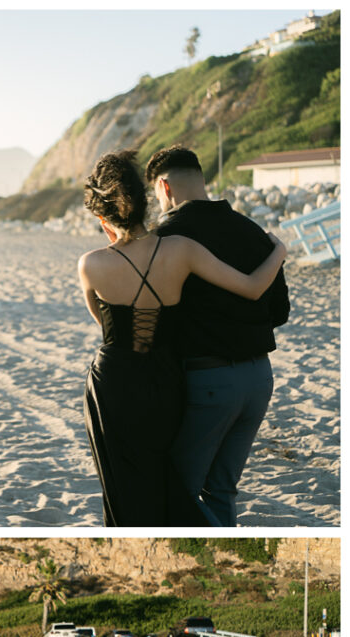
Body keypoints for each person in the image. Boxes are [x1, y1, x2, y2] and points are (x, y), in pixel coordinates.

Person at [78, 150, 287, 527]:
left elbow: (106, 327)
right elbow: (258, 291)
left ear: (102, 216)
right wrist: (279, 251)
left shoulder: (90, 264)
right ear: (144, 202)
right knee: (194, 483)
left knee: (137, 486)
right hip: (180, 381)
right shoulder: (184, 248)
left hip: (118, 383)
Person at [145, 146, 290, 527]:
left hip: (207, 381)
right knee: (222, 489)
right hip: (259, 379)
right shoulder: (253, 231)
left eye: (154, 195)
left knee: (180, 488)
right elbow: (280, 312)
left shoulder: (167, 237)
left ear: (164, 186)